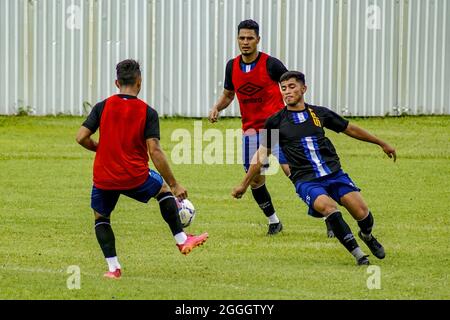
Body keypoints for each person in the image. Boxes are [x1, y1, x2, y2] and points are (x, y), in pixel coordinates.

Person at [232, 71, 396, 265]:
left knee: (362, 212)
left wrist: (381, 143)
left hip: (334, 174)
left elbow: (349, 128)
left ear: (304, 89)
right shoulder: (275, 122)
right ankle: (359, 256)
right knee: (329, 208)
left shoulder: (319, 113)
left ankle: (367, 235)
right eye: (283, 88)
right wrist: (243, 185)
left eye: (292, 87)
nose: (287, 92)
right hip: (306, 180)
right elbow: (261, 154)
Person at [76, 59, 208, 279]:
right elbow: (154, 150)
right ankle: (182, 240)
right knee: (163, 190)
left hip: (104, 176)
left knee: (101, 218)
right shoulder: (147, 112)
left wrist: (100, 148)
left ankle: (113, 269)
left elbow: (81, 137)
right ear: (139, 82)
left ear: (117, 83)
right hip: (134, 175)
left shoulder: (102, 106)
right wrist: (175, 184)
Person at [209, 19, 332, 236]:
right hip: (250, 131)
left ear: (258, 40)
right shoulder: (232, 66)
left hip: (279, 130)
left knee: (294, 173)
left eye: (250, 38)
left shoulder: (272, 65)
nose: (245, 42)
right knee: (255, 179)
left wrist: (297, 116)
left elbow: (292, 88)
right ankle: (274, 221)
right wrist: (217, 107)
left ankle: (329, 217)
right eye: (241, 38)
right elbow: (229, 94)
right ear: (237, 39)